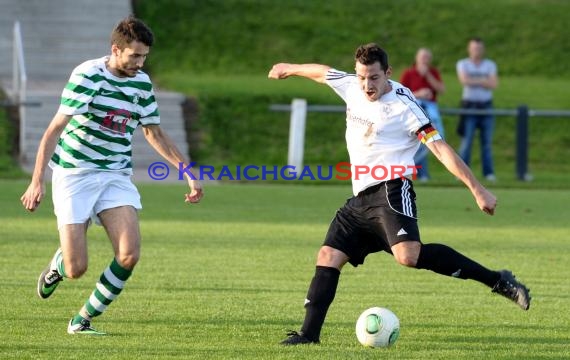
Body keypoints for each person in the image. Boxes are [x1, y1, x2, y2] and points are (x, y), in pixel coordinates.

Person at [268, 43, 530, 346]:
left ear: (388, 73)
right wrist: (290, 68)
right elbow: (324, 73)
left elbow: (440, 149)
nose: (367, 85)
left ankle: (498, 280)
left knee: (408, 256)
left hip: (392, 189)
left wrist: (478, 189)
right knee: (328, 256)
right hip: (360, 199)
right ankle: (308, 336)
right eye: (363, 77)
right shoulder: (352, 86)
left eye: (375, 78)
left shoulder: (404, 106)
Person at [20, 16, 203, 335]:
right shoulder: (88, 75)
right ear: (116, 49)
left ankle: (81, 321)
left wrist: (187, 172)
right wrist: (37, 181)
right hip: (74, 172)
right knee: (77, 269)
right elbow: (53, 130)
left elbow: (153, 132)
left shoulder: (141, 83)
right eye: (134, 55)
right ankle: (59, 266)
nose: (140, 62)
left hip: (115, 174)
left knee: (129, 254)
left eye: (144, 56)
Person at [456, 37, 498, 182]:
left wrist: (476, 81)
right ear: (469, 49)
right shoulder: (463, 64)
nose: (476, 51)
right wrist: (483, 81)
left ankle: (488, 173)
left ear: (483, 49)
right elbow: (464, 80)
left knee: (486, 143)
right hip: (470, 106)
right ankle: (461, 173)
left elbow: (493, 84)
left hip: (486, 106)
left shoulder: (490, 65)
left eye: (479, 48)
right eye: (474, 48)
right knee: (466, 141)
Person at [400, 47, 445, 182]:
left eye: (427, 57)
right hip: (414, 108)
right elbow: (400, 94)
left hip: (430, 108)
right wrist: (419, 93)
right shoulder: (408, 73)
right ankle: (413, 172)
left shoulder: (433, 72)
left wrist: (428, 76)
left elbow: (441, 89)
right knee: (415, 142)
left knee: (432, 139)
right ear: (417, 58)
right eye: (422, 57)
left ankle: (423, 173)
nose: (425, 60)